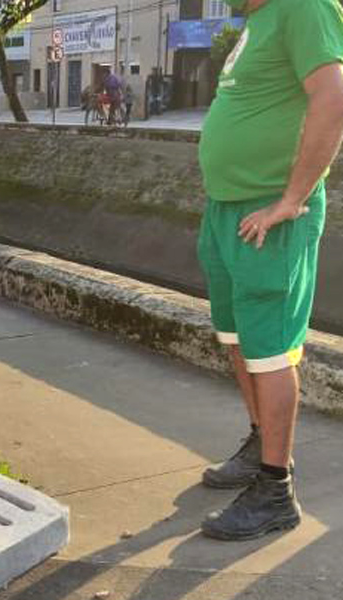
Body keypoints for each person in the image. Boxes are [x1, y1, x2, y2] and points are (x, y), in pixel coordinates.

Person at [196, 0, 343, 540]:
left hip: (270, 214)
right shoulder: (259, 19)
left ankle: (275, 489)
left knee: (270, 350)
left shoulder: (303, 6)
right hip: (228, 210)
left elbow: (333, 98)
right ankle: (261, 441)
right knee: (238, 338)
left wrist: (292, 199)